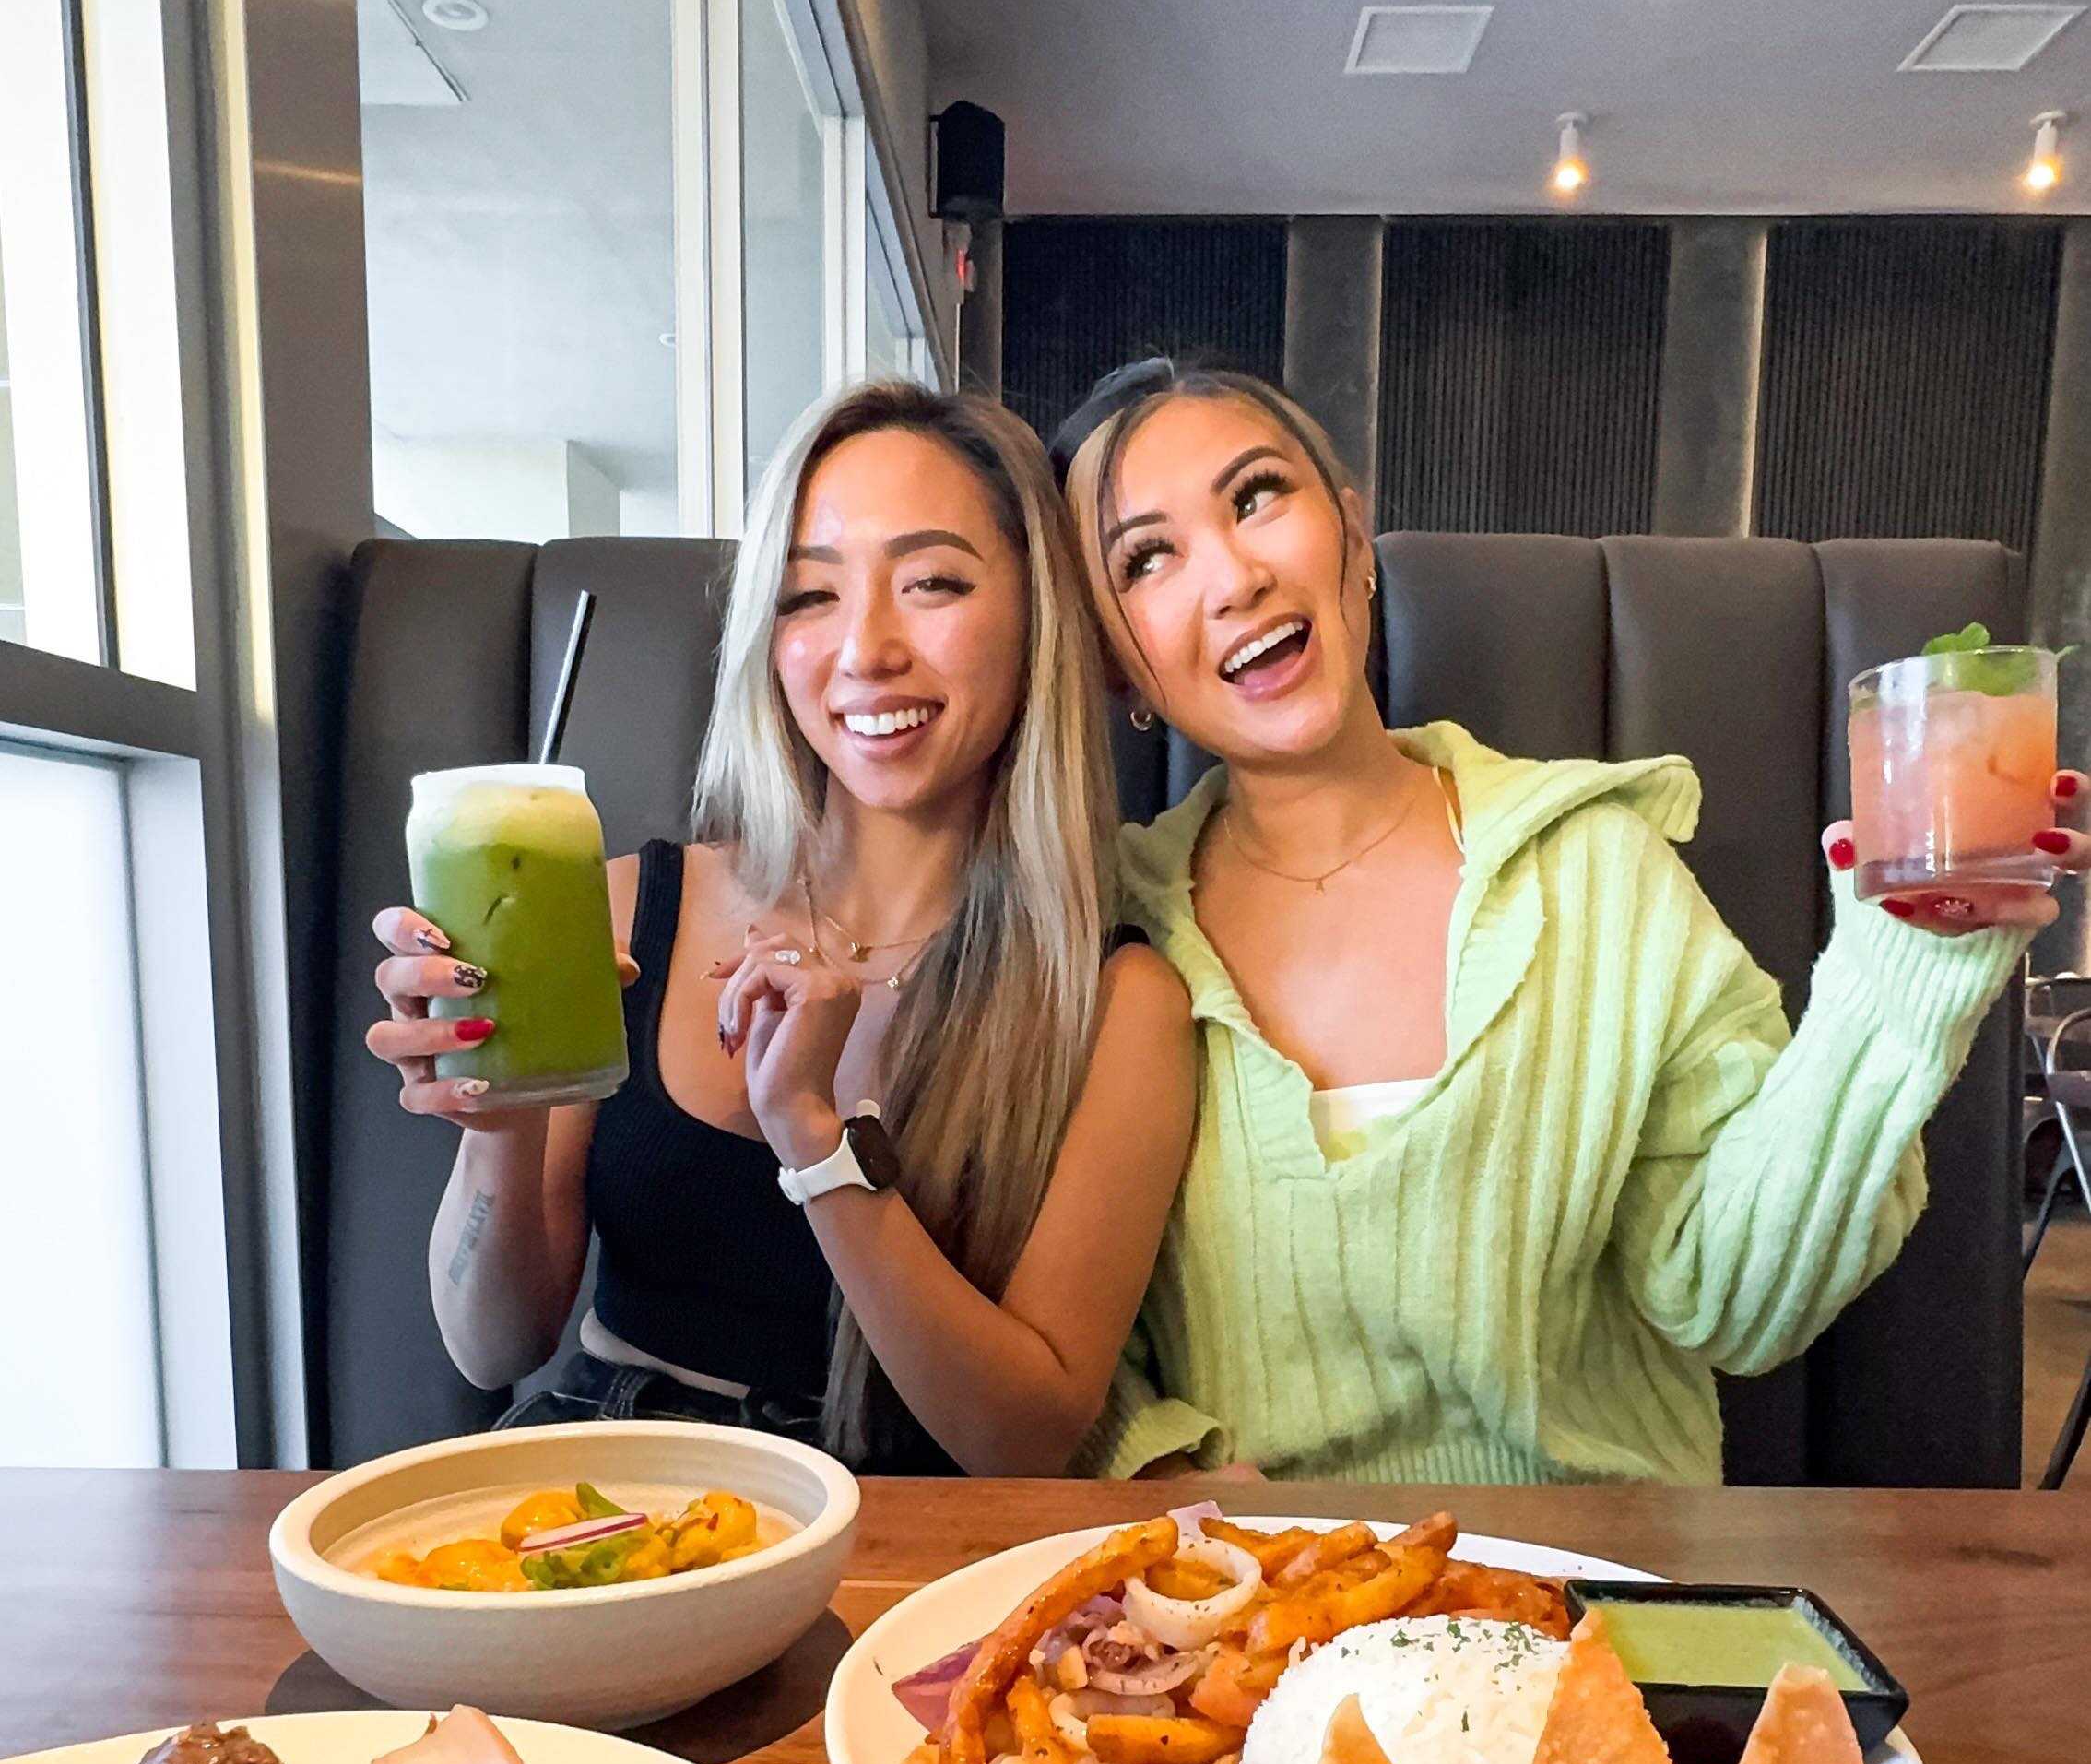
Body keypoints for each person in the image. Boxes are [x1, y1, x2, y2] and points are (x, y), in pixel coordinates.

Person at [1055, 358, 2087, 1486]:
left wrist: (1904, 972)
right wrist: (1160, 1472)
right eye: (1147, 557)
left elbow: (1734, 1302)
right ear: (1117, 662)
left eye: (1257, 497)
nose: (1232, 576)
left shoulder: (1597, 871)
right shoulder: (1106, 938)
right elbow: (1065, 1355)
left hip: (1596, 1599)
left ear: (1351, 534)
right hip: (1266, 1622)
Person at [367, 378, 1194, 1474]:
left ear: (1036, 618)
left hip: (895, 1561)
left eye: (934, 581)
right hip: (600, 1501)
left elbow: (1023, 1439)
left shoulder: (1114, 1003)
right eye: (811, 597)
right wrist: (500, 1115)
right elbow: (491, 1345)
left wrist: (812, 1135)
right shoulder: (624, 906)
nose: (867, 649)